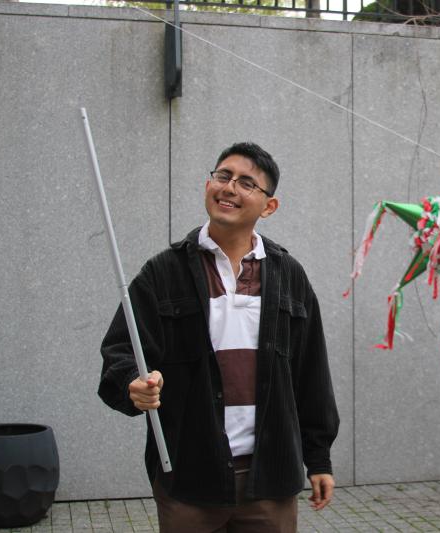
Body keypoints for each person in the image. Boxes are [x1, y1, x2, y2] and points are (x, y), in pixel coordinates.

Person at [98, 142, 339, 533]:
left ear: (269, 206)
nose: (229, 188)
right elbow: (120, 352)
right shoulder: (163, 272)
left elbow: (311, 374)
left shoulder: (289, 275)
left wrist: (320, 459)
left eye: (246, 183)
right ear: (208, 184)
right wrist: (132, 384)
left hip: (270, 478)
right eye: (223, 176)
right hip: (190, 477)